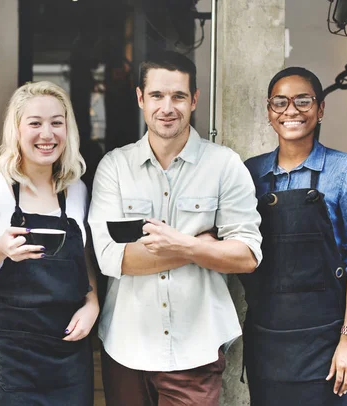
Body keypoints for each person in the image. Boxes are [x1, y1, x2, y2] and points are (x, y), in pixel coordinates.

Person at [88, 50, 263, 406]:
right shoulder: (115, 168)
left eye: (178, 96)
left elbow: (246, 256)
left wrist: (179, 245)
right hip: (127, 347)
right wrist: (199, 247)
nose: (167, 107)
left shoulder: (224, 166)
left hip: (195, 350)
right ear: (140, 97)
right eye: (156, 95)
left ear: (194, 99)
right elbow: (110, 259)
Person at [241, 67, 347, 406]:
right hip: (266, 340)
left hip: (327, 341)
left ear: (320, 110)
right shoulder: (251, 173)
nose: (291, 110)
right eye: (280, 102)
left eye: (303, 101)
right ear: (269, 111)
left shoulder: (345, 171)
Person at [0, 81, 99, 405]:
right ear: (17, 130)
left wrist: (93, 303)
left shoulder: (76, 189)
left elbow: (82, 258)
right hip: (8, 353)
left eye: (56, 123)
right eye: (35, 123)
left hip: (68, 351)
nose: (47, 134)